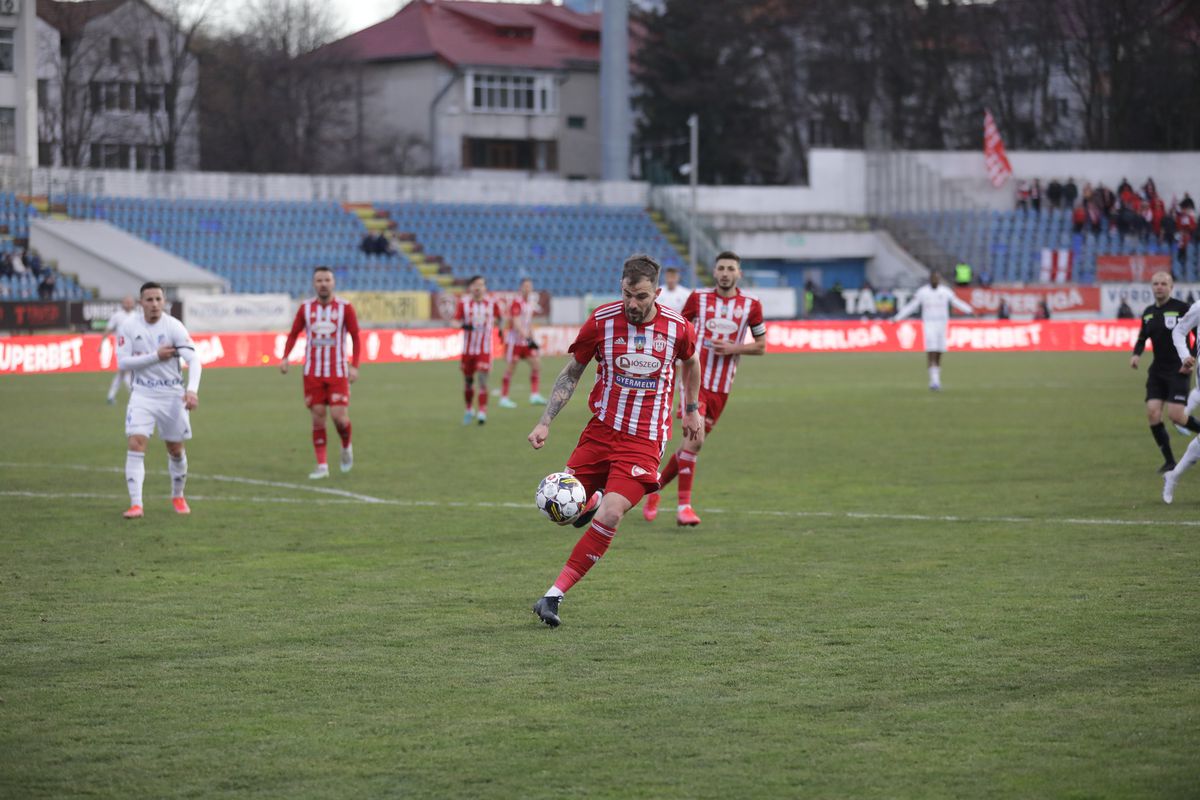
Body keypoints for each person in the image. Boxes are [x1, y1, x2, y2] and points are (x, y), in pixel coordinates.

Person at [528, 254, 702, 627]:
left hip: (644, 441)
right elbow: (572, 372)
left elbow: (691, 361)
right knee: (562, 512)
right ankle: (587, 500)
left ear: (656, 292)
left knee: (611, 513)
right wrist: (545, 422)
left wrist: (691, 408)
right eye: (627, 294)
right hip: (600, 432)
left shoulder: (677, 327)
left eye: (641, 296)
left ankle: (552, 597)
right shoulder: (602, 322)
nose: (633, 304)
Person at [643, 250, 765, 526]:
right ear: (714, 271)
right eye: (721, 267)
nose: (725, 273)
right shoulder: (698, 299)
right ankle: (684, 507)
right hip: (694, 382)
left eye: (730, 268)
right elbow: (677, 329)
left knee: (690, 445)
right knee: (695, 442)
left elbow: (761, 346)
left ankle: (654, 489)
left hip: (722, 388)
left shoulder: (752, 305)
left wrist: (733, 347)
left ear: (738, 273)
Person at [116, 282, 202, 519]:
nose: (154, 304)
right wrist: (155, 356)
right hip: (142, 394)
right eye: (149, 300)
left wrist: (192, 390)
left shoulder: (174, 326)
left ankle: (178, 495)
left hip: (172, 395)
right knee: (136, 443)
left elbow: (194, 360)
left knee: (175, 449)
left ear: (164, 302)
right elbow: (122, 363)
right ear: (140, 302)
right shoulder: (129, 326)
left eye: (158, 300)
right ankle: (136, 504)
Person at [280, 266, 361, 479]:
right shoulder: (305, 308)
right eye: (319, 280)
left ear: (333, 283)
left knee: (339, 418)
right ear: (314, 284)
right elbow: (293, 334)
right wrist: (286, 357)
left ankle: (346, 446)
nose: (323, 284)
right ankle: (322, 466)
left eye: (327, 280)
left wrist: (355, 365)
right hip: (312, 373)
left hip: (337, 372)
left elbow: (355, 336)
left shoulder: (345, 308)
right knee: (318, 418)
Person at [1130, 271, 1200, 477]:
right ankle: (1169, 461)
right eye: (1155, 283)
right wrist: (1136, 355)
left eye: (1163, 283)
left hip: (1179, 369)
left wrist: (1189, 357)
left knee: (1176, 416)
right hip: (1157, 370)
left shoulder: (1182, 308)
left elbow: (1196, 334)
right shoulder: (1149, 312)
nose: (1159, 286)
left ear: (1171, 287)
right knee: (1152, 413)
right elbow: (1142, 337)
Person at [892, 271, 975, 391]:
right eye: (933, 278)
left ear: (939, 280)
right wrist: (898, 317)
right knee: (931, 350)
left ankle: (936, 376)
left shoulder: (945, 292)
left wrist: (969, 310)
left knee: (939, 351)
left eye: (937, 278)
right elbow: (911, 306)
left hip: (942, 323)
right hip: (929, 323)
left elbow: (956, 302)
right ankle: (934, 380)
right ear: (930, 279)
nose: (935, 280)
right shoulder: (923, 292)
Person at [455, 275, 503, 425]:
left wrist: (500, 330)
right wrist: (463, 325)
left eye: (481, 285)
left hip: (484, 350)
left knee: (482, 380)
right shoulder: (464, 303)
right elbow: (454, 320)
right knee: (468, 382)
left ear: (485, 288)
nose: (478, 288)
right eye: (475, 285)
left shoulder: (491, 303)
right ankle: (469, 409)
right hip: (468, 350)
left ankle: (482, 411)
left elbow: (500, 318)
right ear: (470, 288)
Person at [498, 278, 546, 408]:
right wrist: (528, 338)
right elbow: (517, 323)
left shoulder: (529, 304)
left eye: (529, 286)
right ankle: (503, 398)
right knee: (511, 368)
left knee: (536, 364)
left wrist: (532, 339)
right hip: (515, 342)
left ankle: (534, 395)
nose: (527, 288)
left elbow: (528, 324)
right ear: (520, 288)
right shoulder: (516, 303)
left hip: (526, 342)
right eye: (525, 286)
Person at [103, 295, 140, 404]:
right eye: (126, 302)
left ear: (133, 304)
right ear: (122, 303)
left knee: (122, 374)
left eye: (130, 302)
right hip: (121, 349)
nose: (128, 304)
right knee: (126, 372)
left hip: (133, 349)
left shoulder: (137, 316)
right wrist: (101, 343)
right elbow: (109, 329)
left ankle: (110, 396)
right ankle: (134, 396)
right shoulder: (117, 316)